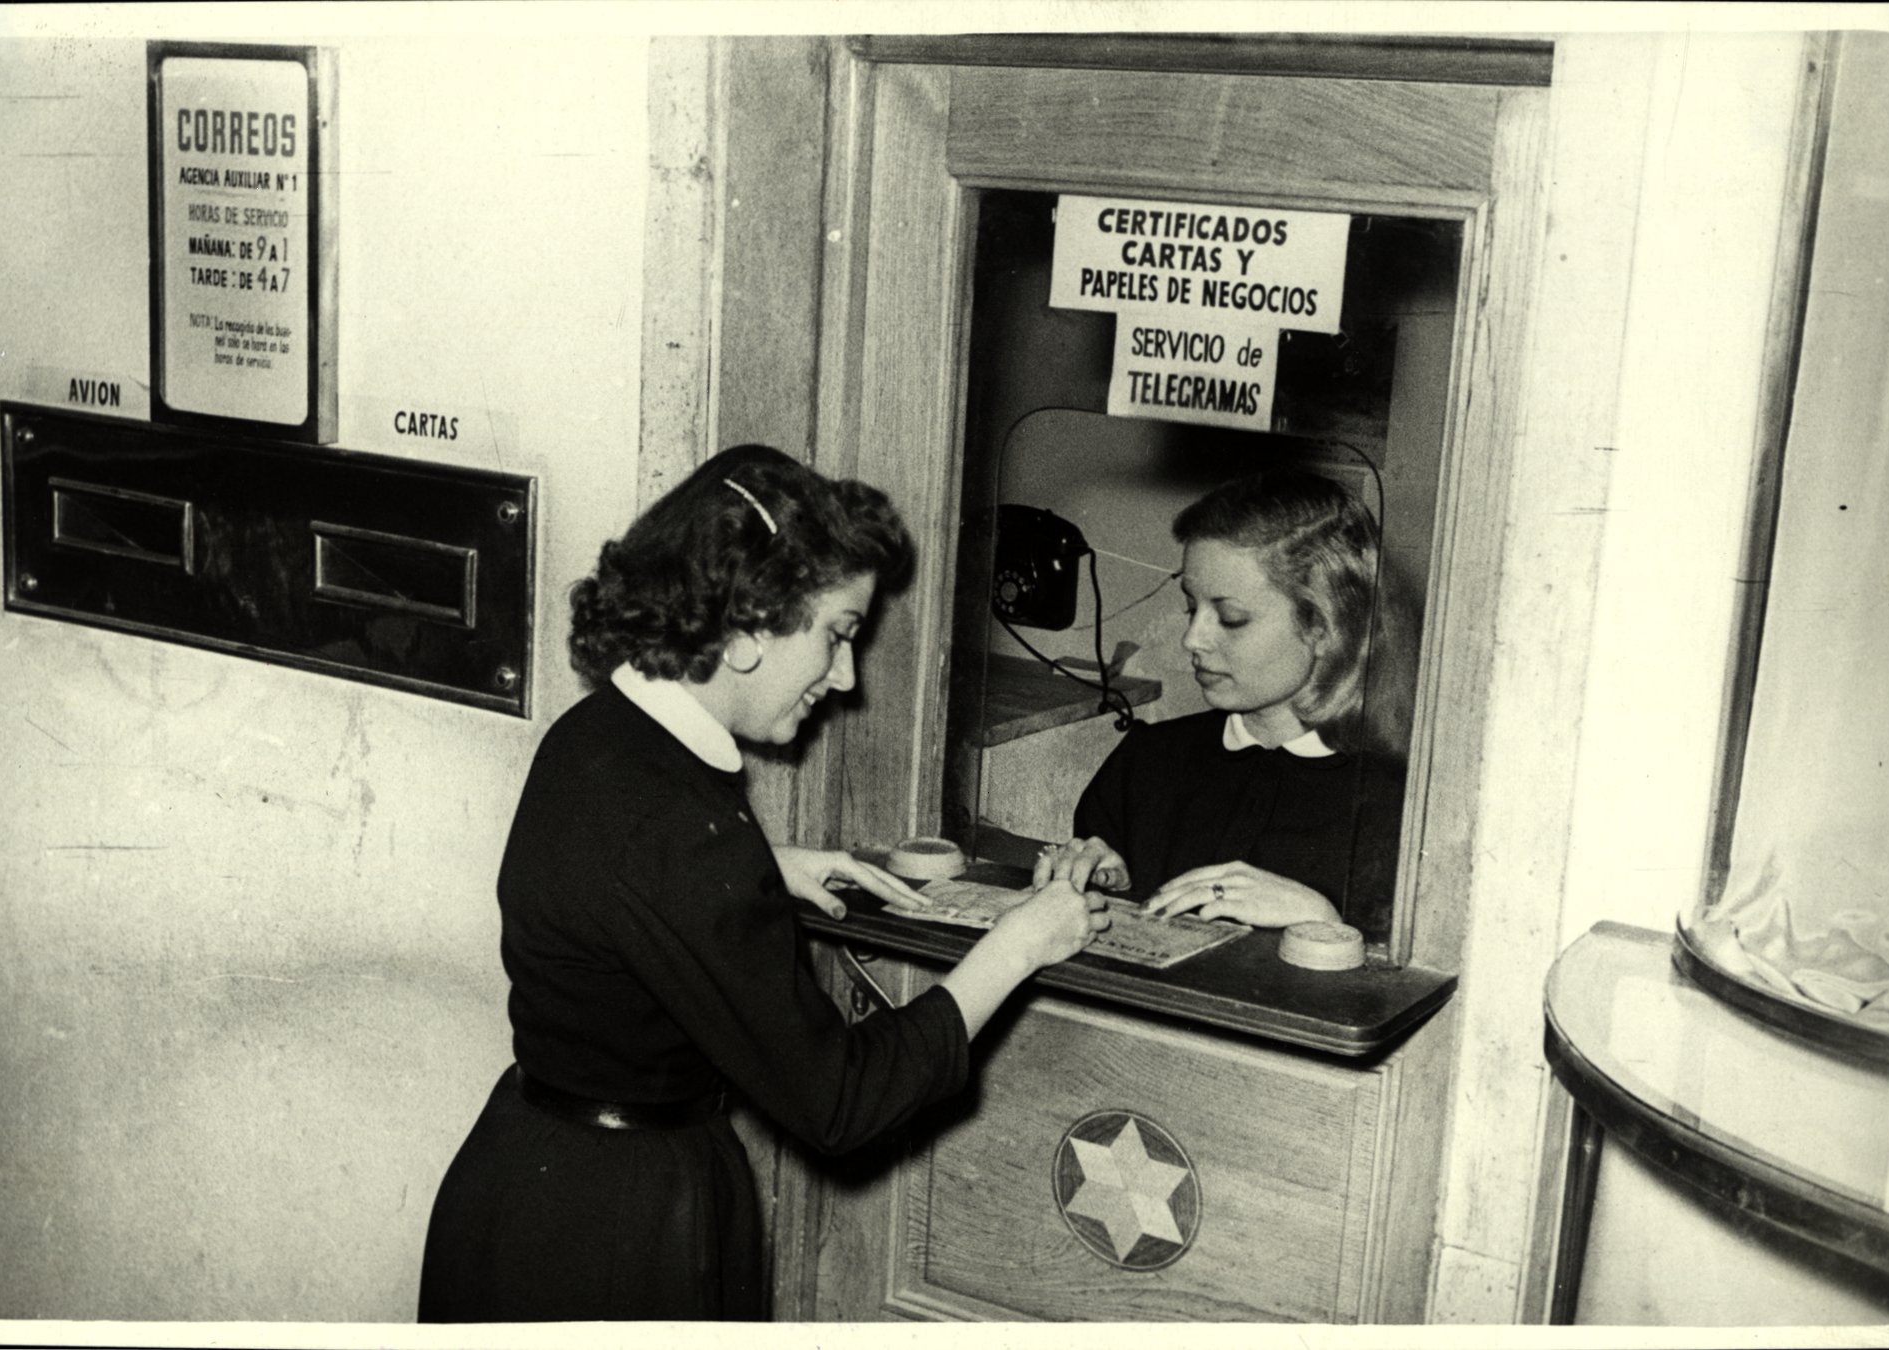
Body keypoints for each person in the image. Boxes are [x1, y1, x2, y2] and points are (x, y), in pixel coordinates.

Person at [419, 444, 1107, 1322]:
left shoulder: (599, 734)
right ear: (744, 630)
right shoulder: (684, 836)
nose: (845, 676)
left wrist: (760, 868)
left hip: (524, 1183)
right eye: (839, 634)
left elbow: (613, 881)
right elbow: (842, 1103)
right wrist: (1016, 947)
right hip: (624, 1227)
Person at [1032, 468, 1409, 939]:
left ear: (1325, 627)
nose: (1192, 638)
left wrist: (1324, 924)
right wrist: (1108, 895)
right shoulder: (1146, 761)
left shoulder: (1403, 807)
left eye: (1231, 618)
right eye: (1192, 607)